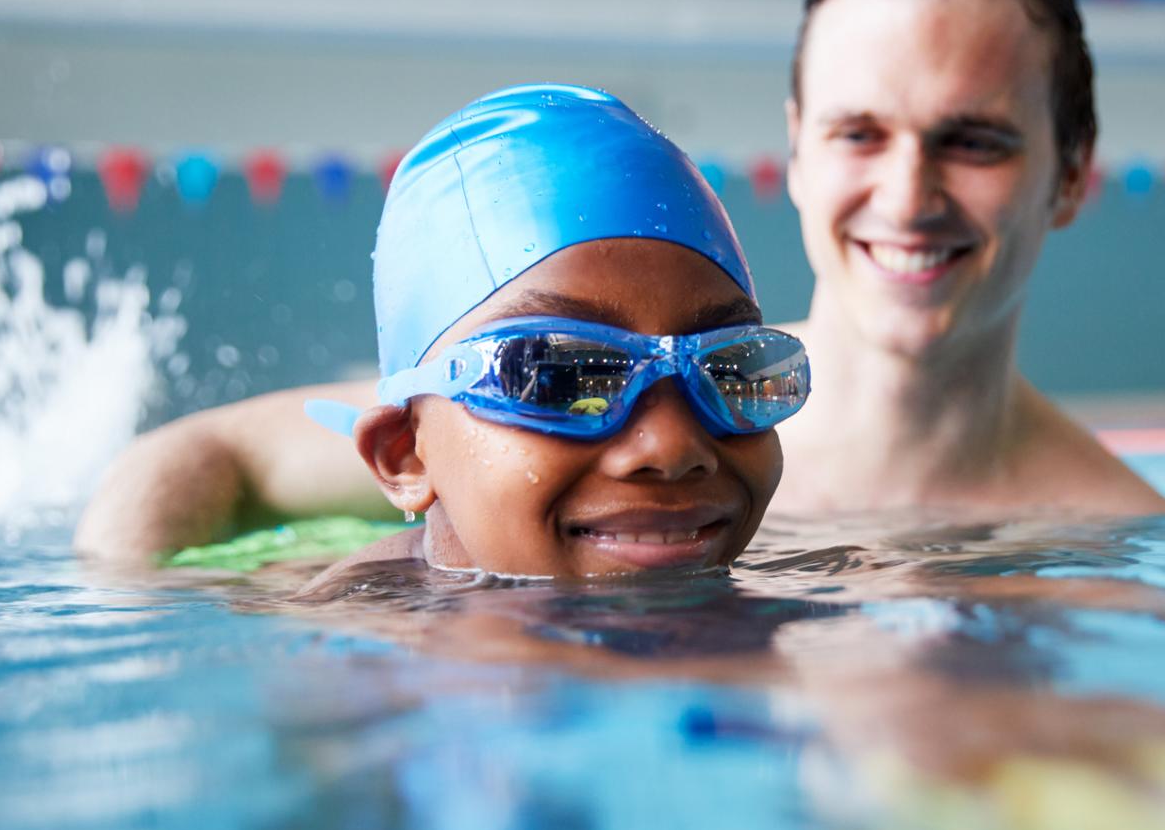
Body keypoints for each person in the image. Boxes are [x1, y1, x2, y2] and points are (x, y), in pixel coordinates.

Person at [74, 0, 1165, 564]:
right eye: (857, 133)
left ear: (1071, 174)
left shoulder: (1102, 540)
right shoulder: (534, 389)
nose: (906, 191)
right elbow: (198, 456)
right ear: (794, 150)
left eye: (972, 142)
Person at [261, 84, 810, 581]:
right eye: (559, 377)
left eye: (731, 371)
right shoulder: (355, 669)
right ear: (404, 454)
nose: (673, 448)